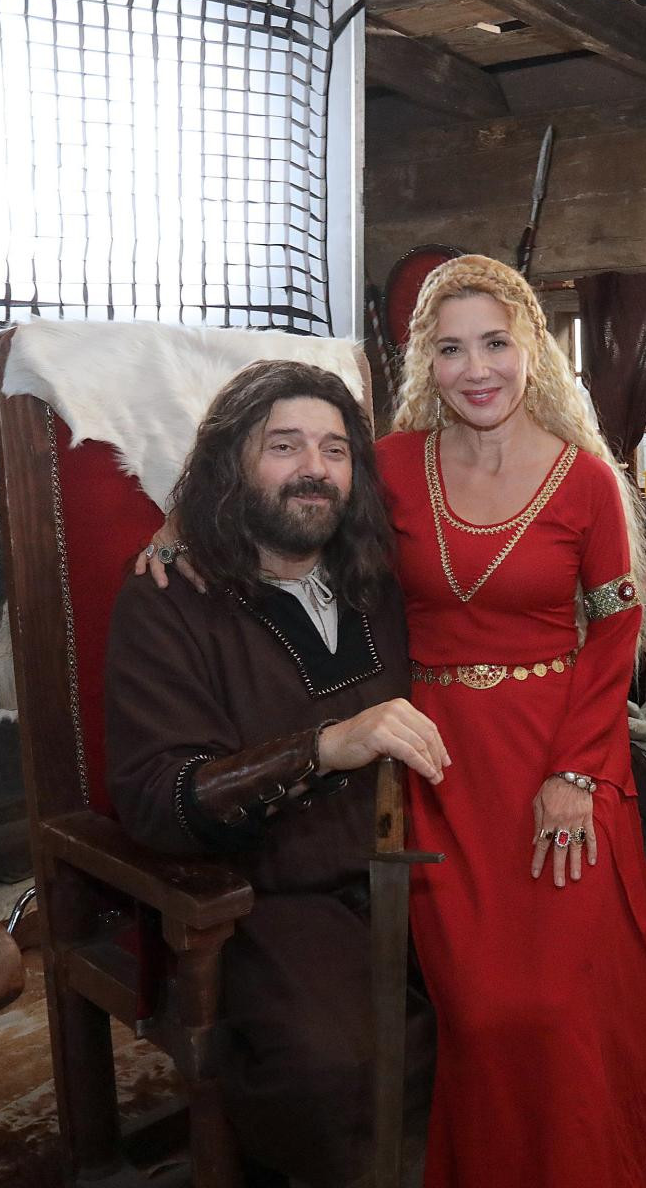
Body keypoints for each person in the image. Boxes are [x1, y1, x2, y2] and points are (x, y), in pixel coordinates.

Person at [380, 254, 646, 1188]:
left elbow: (615, 634)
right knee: (480, 1008)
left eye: (494, 342)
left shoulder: (586, 482)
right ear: (427, 363)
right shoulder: (392, 467)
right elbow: (295, 514)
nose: (476, 368)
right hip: (442, 765)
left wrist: (575, 775)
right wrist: (183, 529)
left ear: (533, 348)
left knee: (569, 1000)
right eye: (451, 349)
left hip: (561, 757)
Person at [107, 360, 448, 1187]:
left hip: (418, 873)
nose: (313, 469)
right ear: (233, 463)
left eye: (335, 450)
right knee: (337, 1072)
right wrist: (320, 747)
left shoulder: (380, 581)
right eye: (284, 445)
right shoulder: (172, 598)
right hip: (273, 900)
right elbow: (158, 797)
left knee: (520, 1005)